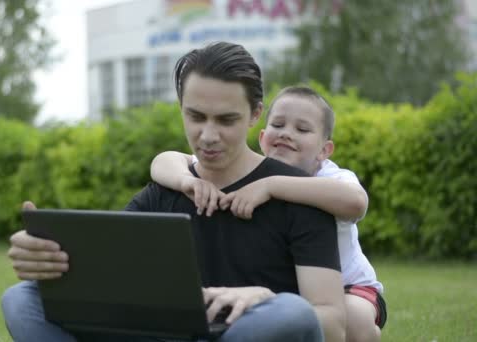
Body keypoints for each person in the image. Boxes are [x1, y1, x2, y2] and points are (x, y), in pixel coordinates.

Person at [1, 42, 346, 342]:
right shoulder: (164, 191)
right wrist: (46, 258)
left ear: (255, 114)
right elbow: (105, 273)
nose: (208, 136)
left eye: (225, 120)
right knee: (22, 299)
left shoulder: (299, 193)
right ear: (181, 106)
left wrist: (266, 299)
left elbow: (330, 324)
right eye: (195, 116)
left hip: (247, 333)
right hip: (159, 336)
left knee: (290, 312)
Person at [150, 86, 387, 342]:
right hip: (297, 287)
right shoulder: (242, 169)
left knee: (353, 321)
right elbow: (165, 160)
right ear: (262, 138)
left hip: (351, 286)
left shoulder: (329, 176)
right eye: (278, 125)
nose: (287, 134)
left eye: (302, 129)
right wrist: (187, 181)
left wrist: (271, 185)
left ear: (324, 151)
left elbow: (356, 202)